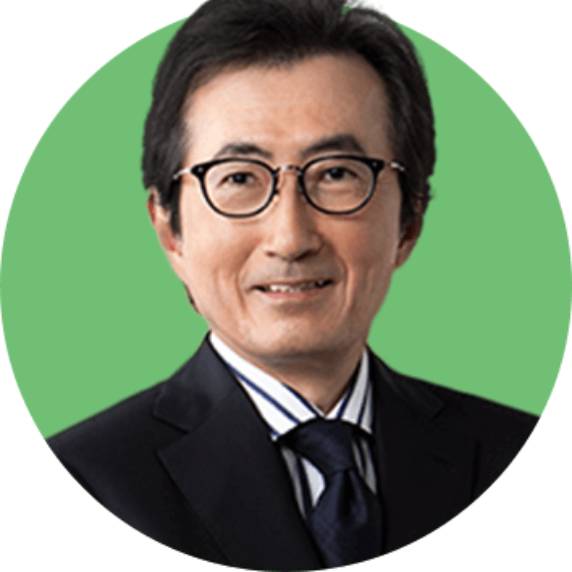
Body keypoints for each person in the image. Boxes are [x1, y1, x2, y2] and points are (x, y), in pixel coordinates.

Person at [48, 0, 538, 568]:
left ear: (409, 223)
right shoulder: (76, 487)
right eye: (238, 178)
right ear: (169, 231)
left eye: (336, 174)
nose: (290, 238)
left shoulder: (524, 458)